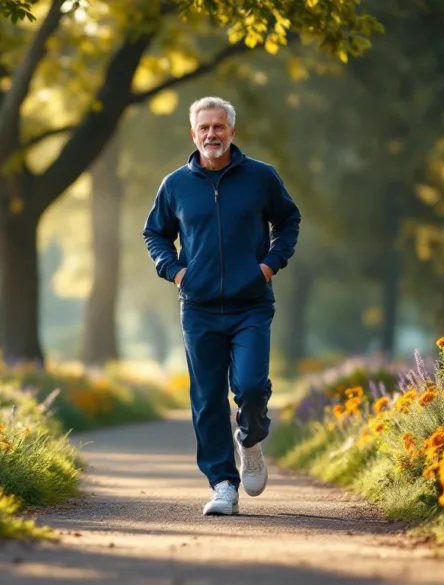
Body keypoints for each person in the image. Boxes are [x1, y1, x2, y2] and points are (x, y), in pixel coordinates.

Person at [142, 96, 301, 516]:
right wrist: (176, 272)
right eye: (204, 128)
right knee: (207, 397)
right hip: (199, 306)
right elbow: (155, 233)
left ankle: (249, 441)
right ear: (193, 134)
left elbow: (288, 220)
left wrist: (268, 266)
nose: (211, 134)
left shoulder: (261, 177)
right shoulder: (175, 185)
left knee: (251, 387)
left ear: (232, 131)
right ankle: (223, 484)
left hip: (251, 304)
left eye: (218, 127)